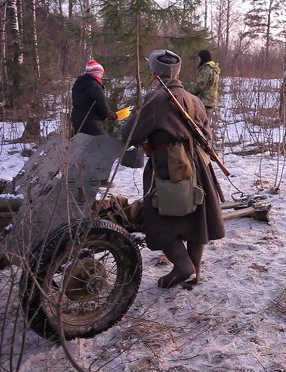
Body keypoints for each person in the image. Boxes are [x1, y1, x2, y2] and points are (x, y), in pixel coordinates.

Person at [121, 49, 225, 288]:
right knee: (197, 220)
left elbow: (129, 134)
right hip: (199, 165)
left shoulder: (154, 101)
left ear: (154, 73)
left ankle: (182, 266)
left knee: (159, 219)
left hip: (167, 166)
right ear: (177, 72)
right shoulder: (195, 100)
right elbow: (207, 135)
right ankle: (195, 272)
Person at [70, 59, 117, 136]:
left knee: (83, 145)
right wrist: (114, 115)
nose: (101, 76)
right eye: (101, 74)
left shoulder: (78, 84)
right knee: (103, 143)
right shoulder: (95, 87)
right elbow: (103, 107)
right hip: (91, 123)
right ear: (96, 73)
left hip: (77, 122)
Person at [187, 49, 220, 126]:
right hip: (211, 101)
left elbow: (200, 86)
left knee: (201, 126)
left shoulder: (207, 69)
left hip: (204, 102)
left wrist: (189, 88)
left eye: (199, 58)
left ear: (203, 58)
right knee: (206, 125)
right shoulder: (214, 68)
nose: (199, 60)